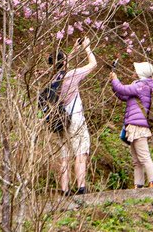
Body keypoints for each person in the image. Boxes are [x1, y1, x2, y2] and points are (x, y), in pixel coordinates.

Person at [56, 37, 97, 195]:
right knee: (80, 152)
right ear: (65, 63)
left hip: (59, 121)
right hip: (75, 119)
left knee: (64, 156)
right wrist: (87, 47)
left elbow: (62, 66)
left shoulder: (52, 79)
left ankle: (64, 189)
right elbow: (93, 64)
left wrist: (74, 50)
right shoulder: (71, 75)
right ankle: (81, 187)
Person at [110, 61, 153, 188]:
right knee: (136, 160)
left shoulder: (141, 86)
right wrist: (113, 83)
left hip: (138, 127)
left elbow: (122, 89)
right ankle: (139, 184)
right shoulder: (141, 86)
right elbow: (122, 95)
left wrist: (115, 80)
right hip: (133, 126)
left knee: (143, 156)